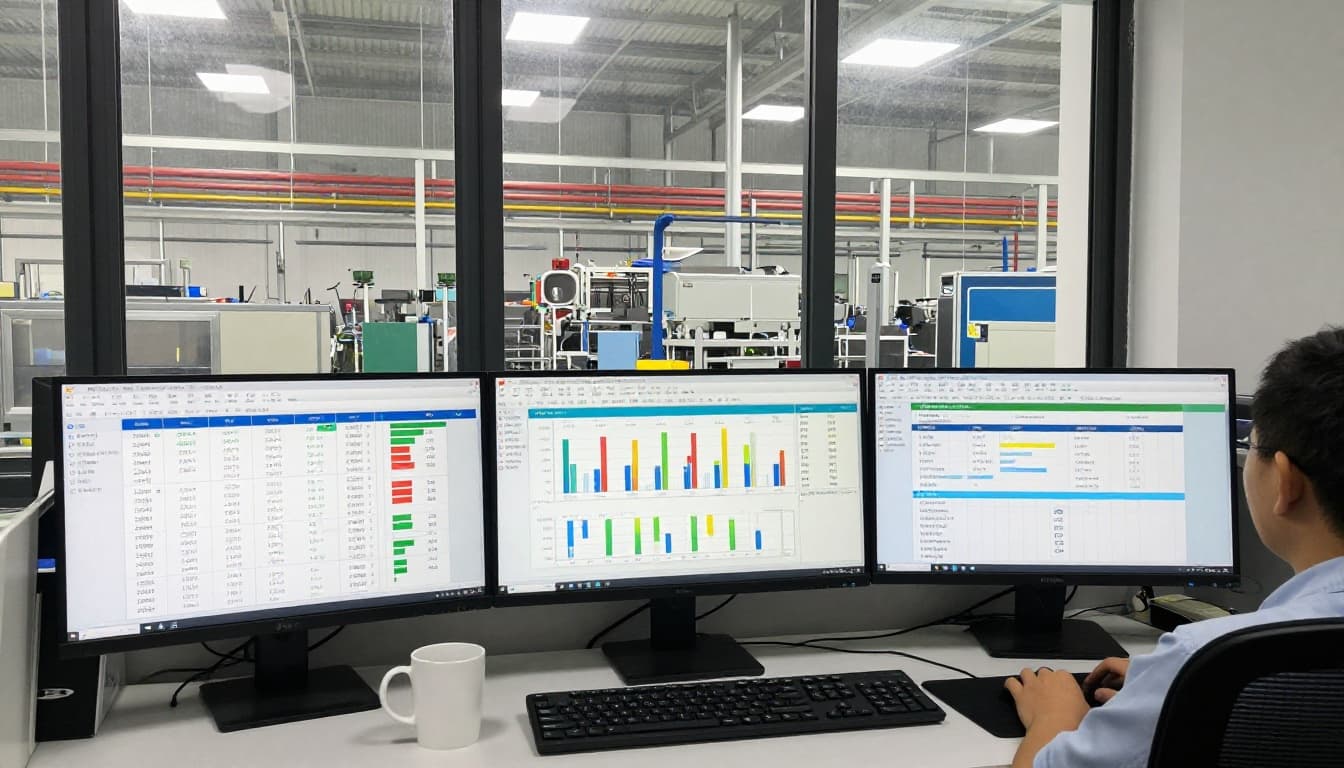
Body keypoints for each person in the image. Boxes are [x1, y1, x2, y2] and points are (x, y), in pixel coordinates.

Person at [1005, 328, 1344, 768]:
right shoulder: (1212, 666)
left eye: (1252, 447)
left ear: (1285, 481)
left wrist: (1054, 717)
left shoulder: (1211, 654)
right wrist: (1172, 690)